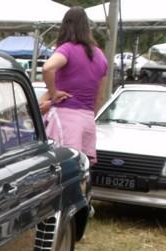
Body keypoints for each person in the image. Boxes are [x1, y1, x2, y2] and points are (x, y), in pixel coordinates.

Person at [42, 6, 108, 163]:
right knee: (80, 168)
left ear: (65, 26)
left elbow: (47, 67)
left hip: (66, 120)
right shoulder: (100, 56)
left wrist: (54, 93)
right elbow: (100, 97)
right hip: (88, 120)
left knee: (61, 166)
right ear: (87, 27)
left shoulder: (67, 49)